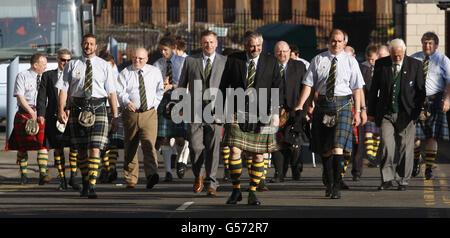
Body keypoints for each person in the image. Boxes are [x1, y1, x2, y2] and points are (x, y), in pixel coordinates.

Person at [294, 29, 364, 199]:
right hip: (323, 105)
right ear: (329, 41)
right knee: (325, 149)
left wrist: (360, 110)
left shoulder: (350, 61)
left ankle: (336, 186)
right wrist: (302, 105)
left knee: (337, 147)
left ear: (344, 43)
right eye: (334, 40)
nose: (336, 44)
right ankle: (328, 178)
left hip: (344, 105)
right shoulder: (318, 59)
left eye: (340, 41)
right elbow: (309, 85)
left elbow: (357, 88)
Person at [220, 31, 283, 205]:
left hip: (262, 112)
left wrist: (276, 112)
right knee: (234, 151)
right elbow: (224, 86)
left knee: (258, 155)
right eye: (252, 46)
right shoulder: (234, 60)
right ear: (245, 46)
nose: (255, 49)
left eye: (259, 46)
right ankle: (236, 189)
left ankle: (253, 191)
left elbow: (277, 87)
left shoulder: (270, 62)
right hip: (237, 110)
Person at [56, 34, 119, 199]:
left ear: (96, 46)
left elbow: (111, 92)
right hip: (77, 107)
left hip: (98, 106)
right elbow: (63, 89)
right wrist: (61, 109)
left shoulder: (104, 65)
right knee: (81, 150)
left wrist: (115, 115)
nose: (88, 46)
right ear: (82, 45)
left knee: (95, 147)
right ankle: (85, 180)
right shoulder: (72, 65)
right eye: (86, 43)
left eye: (91, 44)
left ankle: (92, 184)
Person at [367, 38, 425, 191]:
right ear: (390, 53)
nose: (397, 58)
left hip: (407, 113)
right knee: (386, 146)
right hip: (386, 113)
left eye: (400, 55)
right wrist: (371, 112)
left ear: (404, 52)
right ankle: (386, 179)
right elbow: (374, 90)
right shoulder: (381, 64)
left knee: (406, 147)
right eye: (394, 56)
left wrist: (416, 112)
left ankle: (403, 180)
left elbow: (421, 92)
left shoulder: (415, 65)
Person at [178, 30, 227, 197]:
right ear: (201, 44)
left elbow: (229, 88)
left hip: (216, 110)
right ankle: (199, 174)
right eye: (205, 42)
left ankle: (212, 183)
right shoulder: (191, 61)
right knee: (195, 145)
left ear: (217, 43)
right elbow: (182, 84)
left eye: (212, 42)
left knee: (214, 148)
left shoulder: (224, 61)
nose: (209, 45)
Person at [117, 48, 164, 189]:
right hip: (131, 114)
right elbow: (119, 91)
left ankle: (151, 175)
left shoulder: (154, 72)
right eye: (134, 58)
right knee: (131, 145)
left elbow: (160, 90)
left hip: (149, 114)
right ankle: (131, 178)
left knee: (148, 145)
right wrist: (126, 101)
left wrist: (154, 104)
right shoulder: (125, 73)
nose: (137, 61)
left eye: (140, 59)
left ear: (147, 59)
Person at [36, 48, 80, 190]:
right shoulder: (48, 76)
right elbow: (41, 97)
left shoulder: (76, 75)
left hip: (72, 115)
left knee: (74, 147)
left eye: (68, 60)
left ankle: (73, 176)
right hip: (53, 116)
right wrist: (41, 114)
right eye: (63, 60)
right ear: (57, 60)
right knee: (58, 148)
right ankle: (62, 179)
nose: (65, 63)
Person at [5, 53, 52, 185]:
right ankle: (24, 175)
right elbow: (20, 96)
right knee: (22, 146)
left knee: (43, 145)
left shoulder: (46, 77)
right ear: (35, 65)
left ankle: (43, 174)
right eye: (43, 63)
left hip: (41, 112)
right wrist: (31, 112)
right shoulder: (22, 76)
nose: (46, 66)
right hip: (25, 113)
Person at [411, 32, 450, 180]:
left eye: (430, 43)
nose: (427, 46)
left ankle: (428, 168)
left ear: (436, 45)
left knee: (431, 136)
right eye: (425, 43)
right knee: (415, 137)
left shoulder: (442, 60)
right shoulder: (414, 58)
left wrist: (447, 100)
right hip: (417, 101)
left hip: (435, 100)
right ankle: (415, 161)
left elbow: (449, 81)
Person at [270, 41, 307, 183]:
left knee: (294, 141)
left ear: (289, 51)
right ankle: (279, 173)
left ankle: (296, 169)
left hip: (295, 108)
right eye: (279, 51)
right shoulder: (270, 66)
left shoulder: (299, 66)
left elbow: (306, 87)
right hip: (276, 110)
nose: (282, 54)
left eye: (285, 51)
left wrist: (307, 106)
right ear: (275, 53)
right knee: (277, 142)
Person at [153, 37, 187, 182]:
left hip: (180, 99)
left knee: (181, 138)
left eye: (165, 49)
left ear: (173, 47)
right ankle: (167, 171)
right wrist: (162, 86)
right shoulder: (157, 64)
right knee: (165, 138)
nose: (163, 52)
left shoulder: (183, 62)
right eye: (161, 49)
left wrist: (172, 86)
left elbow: (188, 83)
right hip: (164, 100)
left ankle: (180, 161)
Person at [98, 51, 123, 184]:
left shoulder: (116, 75)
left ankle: (110, 168)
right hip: (102, 107)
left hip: (114, 108)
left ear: (113, 65)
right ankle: (107, 168)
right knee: (104, 142)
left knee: (112, 141)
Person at [361, 45, 381, 168]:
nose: (371, 62)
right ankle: (370, 156)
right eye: (369, 59)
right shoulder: (363, 68)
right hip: (367, 103)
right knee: (368, 130)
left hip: (379, 104)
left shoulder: (381, 67)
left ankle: (373, 155)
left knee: (377, 133)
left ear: (377, 56)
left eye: (373, 59)